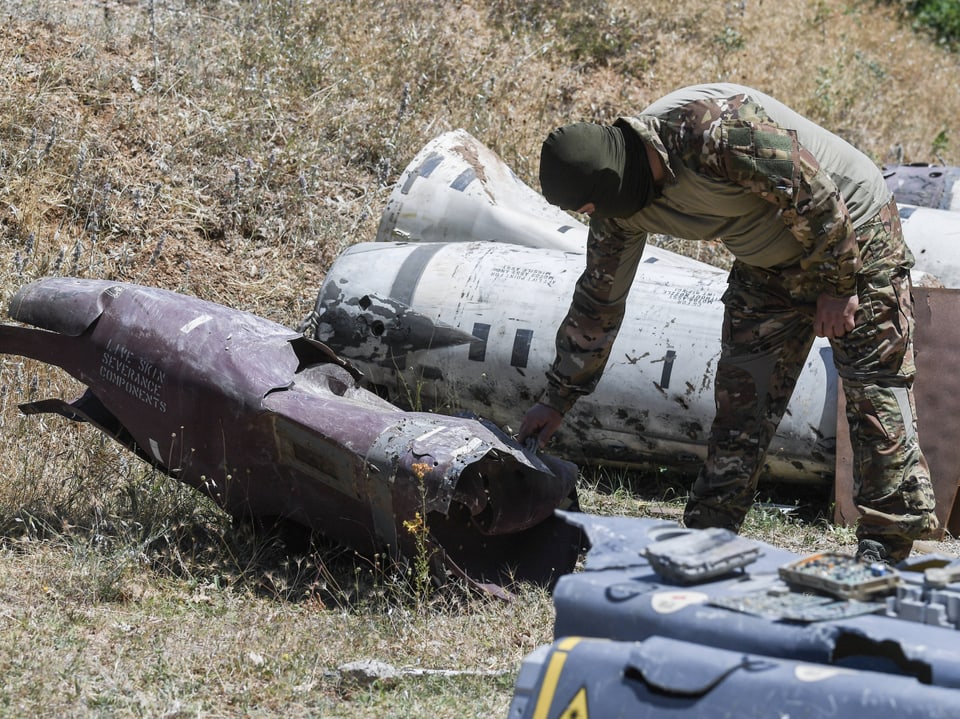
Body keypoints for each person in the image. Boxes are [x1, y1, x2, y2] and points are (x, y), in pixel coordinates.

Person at [518, 83, 939, 563]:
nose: (590, 217)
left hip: (852, 232)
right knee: (743, 399)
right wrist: (558, 397)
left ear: (612, 178)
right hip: (768, 260)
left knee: (873, 391)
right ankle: (710, 533)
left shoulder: (712, 129)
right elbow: (598, 303)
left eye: (587, 207)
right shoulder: (619, 211)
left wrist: (840, 286)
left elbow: (818, 196)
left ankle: (886, 544)